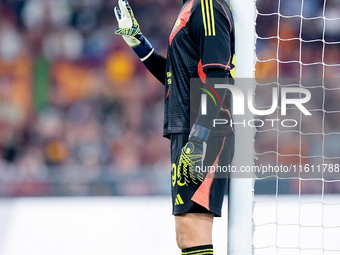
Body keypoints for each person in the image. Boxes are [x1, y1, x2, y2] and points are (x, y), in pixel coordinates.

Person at [114, 0, 235, 254]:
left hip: (206, 129)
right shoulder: (190, 6)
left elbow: (218, 76)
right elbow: (176, 75)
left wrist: (199, 137)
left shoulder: (207, 6)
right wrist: (139, 43)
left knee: (194, 232)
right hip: (189, 129)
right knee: (186, 236)